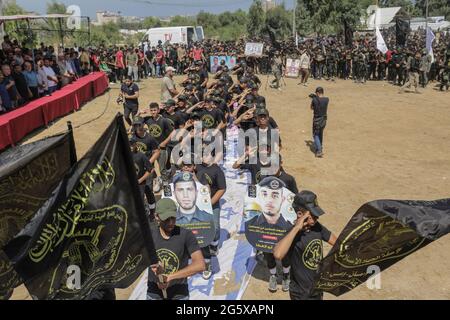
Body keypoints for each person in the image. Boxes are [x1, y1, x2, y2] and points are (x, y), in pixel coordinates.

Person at [273, 190, 337, 300]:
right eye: (313, 215)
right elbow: (278, 254)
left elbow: (337, 243)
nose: (317, 218)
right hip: (300, 294)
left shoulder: (317, 227)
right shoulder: (291, 234)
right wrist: (297, 228)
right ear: (300, 214)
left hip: (317, 289)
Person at [147, 198, 206, 300]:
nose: (171, 222)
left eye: (173, 218)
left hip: (179, 292)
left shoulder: (185, 235)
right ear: (157, 217)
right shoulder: (150, 234)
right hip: (154, 291)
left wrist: (170, 277)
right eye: (166, 219)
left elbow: (200, 265)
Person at [310, 87, 329, 158]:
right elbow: (322, 99)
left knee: (315, 135)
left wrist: (313, 99)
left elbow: (311, 108)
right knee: (320, 133)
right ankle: (319, 147)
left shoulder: (314, 100)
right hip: (324, 119)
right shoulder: (327, 99)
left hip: (317, 119)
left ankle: (319, 151)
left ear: (317, 93)